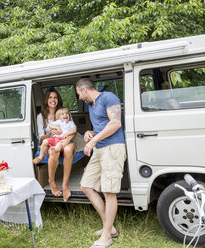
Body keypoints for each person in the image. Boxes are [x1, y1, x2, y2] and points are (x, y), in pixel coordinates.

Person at [76, 78, 126, 248]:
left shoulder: (108, 97)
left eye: (79, 95)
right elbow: (101, 126)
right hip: (100, 148)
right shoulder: (92, 106)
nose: (80, 99)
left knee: (109, 191)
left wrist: (92, 141)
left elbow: (115, 123)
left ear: (84, 90)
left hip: (113, 148)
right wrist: (90, 133)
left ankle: (106, 237)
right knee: (86, 186)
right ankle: (109, 227)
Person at [36, 89, 76, 202]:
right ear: (46, 100)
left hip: (65, 140)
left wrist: (67, 140)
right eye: (50, 97)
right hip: (51, 142)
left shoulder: (64, 113)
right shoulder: (41, 117)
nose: (53, 100)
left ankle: (65, 185)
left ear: (58, 100)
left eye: (55, 97)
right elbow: (41, 138)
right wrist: (52, 132)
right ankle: (52, 182)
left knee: (68, 149)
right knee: (54, 151)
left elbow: (73, 130)